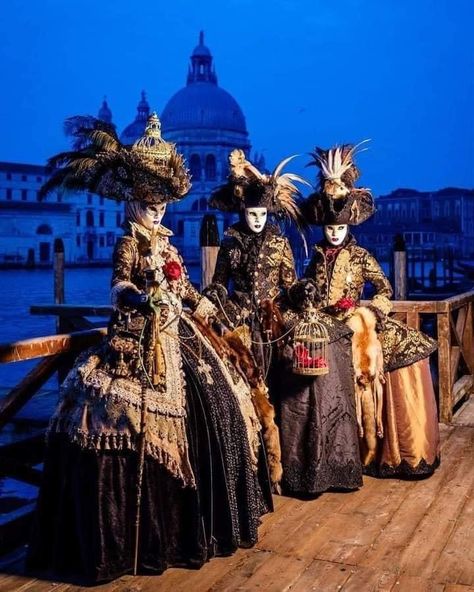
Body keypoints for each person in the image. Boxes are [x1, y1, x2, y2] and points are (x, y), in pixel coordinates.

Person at [27, 113, 271, 583]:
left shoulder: (168, 244)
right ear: (134, 202)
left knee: (223, 401)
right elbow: (118, 285)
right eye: (149, 203)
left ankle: (207, 520)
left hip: (181, 332)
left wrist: (208, 305)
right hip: (141, 334)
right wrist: (142, 296)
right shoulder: (127, 243)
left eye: (161, 204)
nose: (157, 211)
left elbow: (185, 289)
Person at [206, 150, 363, 496]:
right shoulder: (230, 239)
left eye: (263, 213)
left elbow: (289, 284)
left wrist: (303, 289)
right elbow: (219, 281)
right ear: (244, 212)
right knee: (240, 387)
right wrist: (210, 299)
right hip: (240, 317)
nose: (258, 219)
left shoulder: (279, 241)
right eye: (252, 213)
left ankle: (288, 466)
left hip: (274, 319)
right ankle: (247, 468)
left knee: (284, 386)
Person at [300, 142, 440, 478]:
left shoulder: (362, 257)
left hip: (358, 322)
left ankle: (388, 448)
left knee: (400, 354)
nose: (334, 234)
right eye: (330, 229)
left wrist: (372, 313)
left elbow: (384, 289)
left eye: (340, 229)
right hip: (324, 326)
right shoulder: (314, 259)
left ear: (349, 227)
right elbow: (306, 291)